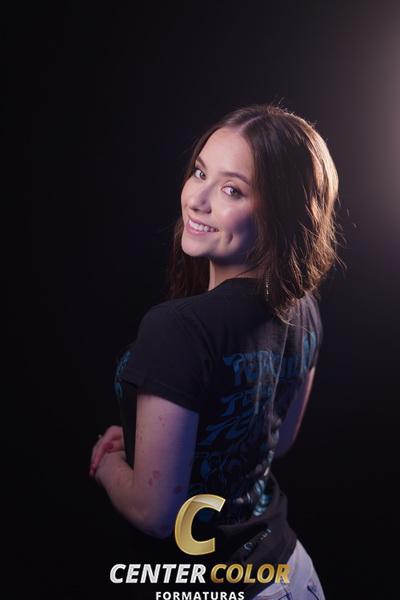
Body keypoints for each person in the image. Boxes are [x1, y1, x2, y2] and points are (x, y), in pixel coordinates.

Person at [89, 102, 342, 599]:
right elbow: (276, 440)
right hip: (292, 576)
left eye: (232, 190)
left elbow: (155, 514)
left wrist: (109, 467)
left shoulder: (178, 329)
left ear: (279, 213)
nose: (197, 200)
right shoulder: (306, 308)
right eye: (200, 173)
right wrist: (149, 443)